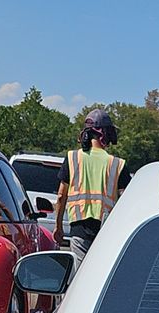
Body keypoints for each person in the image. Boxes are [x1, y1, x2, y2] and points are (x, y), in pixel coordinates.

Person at [54, 109, 132, 267]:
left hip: (79, 229)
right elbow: (127, 202)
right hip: (107, 232)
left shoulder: (72, 158)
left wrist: (58, 226)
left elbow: (61, 196)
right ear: (106, 134)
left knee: (81, 275)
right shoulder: (117, 164)